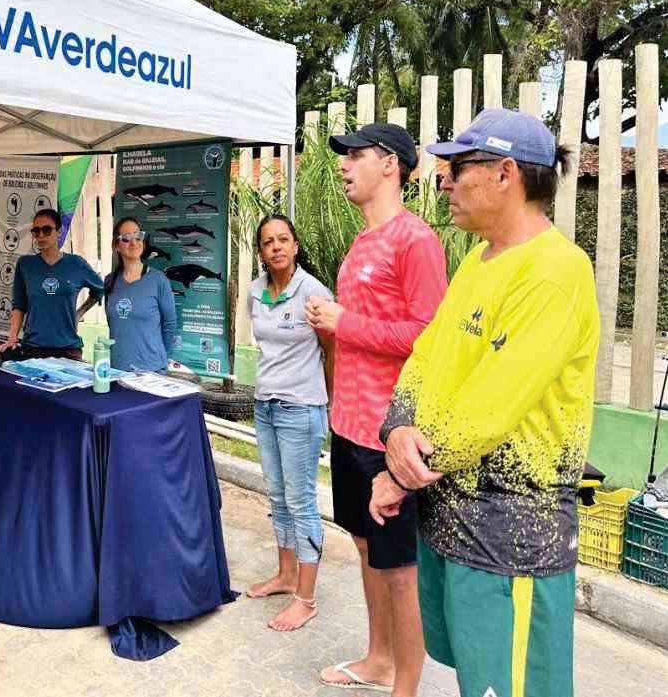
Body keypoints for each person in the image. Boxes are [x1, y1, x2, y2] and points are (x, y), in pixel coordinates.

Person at [370, 109, 597, 697]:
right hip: (452, 515)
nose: (443, 180)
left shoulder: (555, 273)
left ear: (504, 174)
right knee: (480, 679)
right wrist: (397, 429)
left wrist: (402, 472)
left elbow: (494, 405)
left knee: (514, 683)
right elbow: (428, 356)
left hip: (512, 532)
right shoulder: (479, 260)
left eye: (457, 167)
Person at [307, 124, 447, 695]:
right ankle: (378, 657)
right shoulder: (364, 241)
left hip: (389, 433)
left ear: (390, 164)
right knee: (365, 545)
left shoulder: (416, 241)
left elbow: (430, 337)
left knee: (400, 565)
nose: (344, 167)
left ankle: (405, 684)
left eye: (356, 156)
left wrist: (348, 323)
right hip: (348, 424)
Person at [244, 214, 335, 631]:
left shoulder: (314, 293)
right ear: (260, 251)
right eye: (268, 242)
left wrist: (331, 402)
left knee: (301, 502)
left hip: (301, 407)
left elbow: (331, 350)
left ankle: (308, 598)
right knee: (277, 496)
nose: (276, 247)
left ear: (295, 246)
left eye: (283, 240)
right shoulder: (255, 291)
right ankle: (285, 576)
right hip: (265, 404)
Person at [0, 208, 104, 360]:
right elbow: (19, 304)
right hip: (32, 349)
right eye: (36, 231)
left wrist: (79, 313)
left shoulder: (76, 264)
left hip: (68, 350)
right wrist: (12, 337)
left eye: (47, 230)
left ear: (59, 232)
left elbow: (99, 289)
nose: (41, 235)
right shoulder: (25, 265)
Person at [102, 217, 177, 372]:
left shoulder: (158, 280)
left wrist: (157, 359)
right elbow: (114, 325)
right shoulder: (110, 281)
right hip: (117, 369)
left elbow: (169, 326)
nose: (134, 242)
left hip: (152, 372)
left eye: (138, 236)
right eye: (126, 238)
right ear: (116, 246)